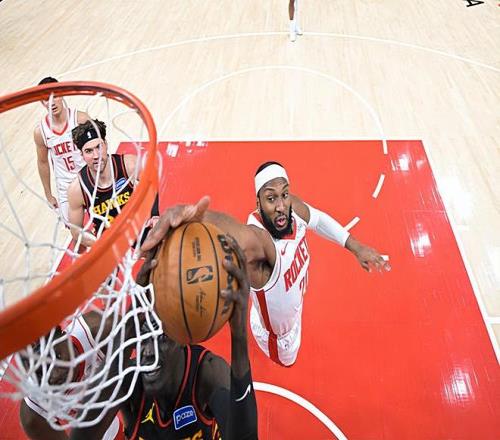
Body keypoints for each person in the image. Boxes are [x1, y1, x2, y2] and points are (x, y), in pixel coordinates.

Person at [142, 162, 390, 367]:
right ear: (258, 203)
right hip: (279, 339)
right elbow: (237, 233)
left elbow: (318, 219)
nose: (281, 206)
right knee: (289, 362)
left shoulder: (292, 210)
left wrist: (356, 247)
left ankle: (260, 305)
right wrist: (190, 213)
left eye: (284, 194)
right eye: (271, 198)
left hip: (290, 305)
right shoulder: (261, 242)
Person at [70, 235, 258, 440]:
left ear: (181, 338)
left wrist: (239, 336)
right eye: (142, 337)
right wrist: (132, 318)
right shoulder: (131, 381)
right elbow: (81, 437)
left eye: (159, 338)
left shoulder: (207, 373)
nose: (147, 351)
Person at [19, 312, 121, 440]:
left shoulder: (100, 329)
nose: (54, 376)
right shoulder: (33, 414)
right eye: (41, 373)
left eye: (57, 358)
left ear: (63, 335)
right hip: (95, 427)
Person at [67, 119, 138, 248]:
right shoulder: (77, 189)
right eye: (89, 151)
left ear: (106, 144)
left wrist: (154, 215)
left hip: (138, 227)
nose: (96, 156)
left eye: (99, 147)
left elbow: (152, 185)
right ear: (81, 154)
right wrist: (100, 244)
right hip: (108, 240)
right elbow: (76, 231)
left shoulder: (129, 165)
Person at [34, 77, 90, 223]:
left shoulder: (80, 119)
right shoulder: (41, 132)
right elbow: (42, 162)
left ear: (63, 93)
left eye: (55, 96)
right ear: (41, 102)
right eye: (46, 99)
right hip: (66, 187)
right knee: (75, 231)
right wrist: (48, 194)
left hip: (89, 178)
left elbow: (100, 145)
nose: (51, 102)